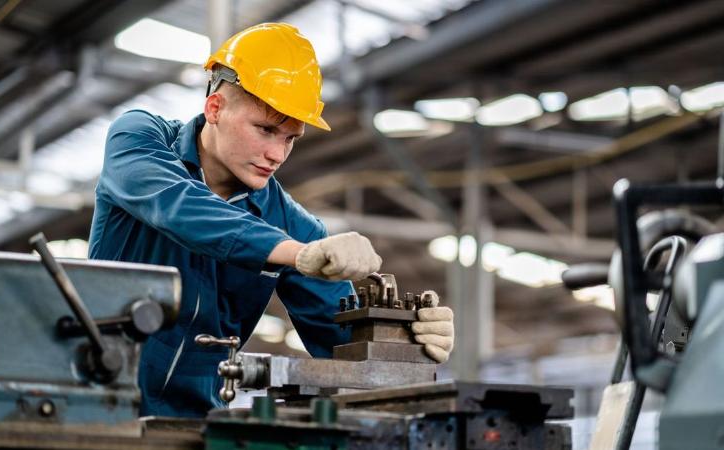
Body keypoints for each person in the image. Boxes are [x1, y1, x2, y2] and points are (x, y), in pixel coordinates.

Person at [88, 22, 454, 418]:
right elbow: (180, 207)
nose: (277, 154)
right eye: (265, 130)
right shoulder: (138, 140)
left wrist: (406, 338)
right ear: (215, 108)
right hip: (86, 403)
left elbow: (344, 346)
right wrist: (294, 254)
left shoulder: (298, 230)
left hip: (191, 425)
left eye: (290, 138)